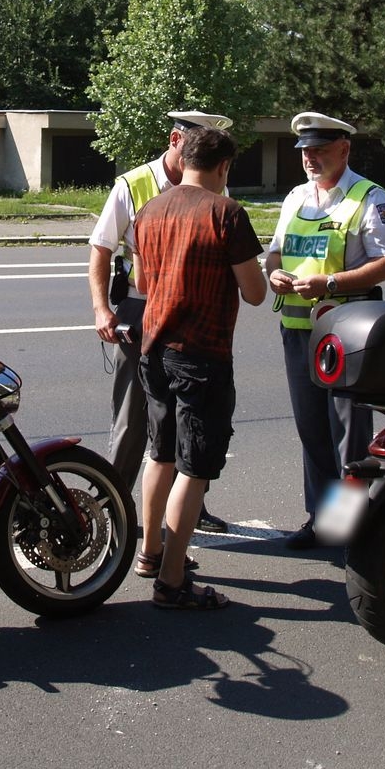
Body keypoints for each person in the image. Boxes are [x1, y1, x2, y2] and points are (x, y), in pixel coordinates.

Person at [130, 125, 266, 609]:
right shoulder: (226, 213)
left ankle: (149, 552)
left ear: (183, 157)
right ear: (223, 167)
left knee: (159, 452)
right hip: (201, 353)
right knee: (195, 465)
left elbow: (143, 281)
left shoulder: (149, 210)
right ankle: (170, 581)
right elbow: (254, 292)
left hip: (153, 349)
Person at [87, 110, 235, 532]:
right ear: (175, 139)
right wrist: (102, 309)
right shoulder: (132, 185)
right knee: (135, 420)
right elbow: (100, 248)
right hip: (142, 309)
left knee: (195, 416)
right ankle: (113, 507)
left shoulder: (214, 179)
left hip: (195, 312)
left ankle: (189, 508)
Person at [265, 112, 385, 550]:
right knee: (312, 430)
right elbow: (274, 253)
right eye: (305, 151)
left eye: (320, 150)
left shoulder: (369, 197)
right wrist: (274, 275)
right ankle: (320, 519)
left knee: (349, 433)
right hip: (299, 329)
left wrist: (330, 283)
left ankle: (349, 526)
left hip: (347, 334)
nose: (310, 158)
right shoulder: (295, 198)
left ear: (344, 149)